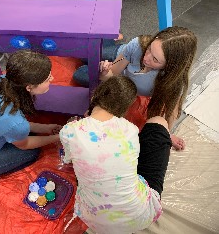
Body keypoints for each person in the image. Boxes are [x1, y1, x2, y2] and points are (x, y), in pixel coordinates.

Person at [60, 76, 172, 234]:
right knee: (159, 121)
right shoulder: (131, 129)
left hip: (93, 218)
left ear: (95, 95)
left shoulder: (69, 131)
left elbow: (69, 159)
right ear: (125, 108)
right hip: (139, 216)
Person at [73, 26, 197, 150]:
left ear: (169, 66)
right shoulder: (137, 45)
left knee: (79, 74)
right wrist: (104, 73)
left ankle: (108, 40)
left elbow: (172, 110)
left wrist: (167, 134)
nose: (146, 58)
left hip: (122, 82)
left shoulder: (173, 82)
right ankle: (110, 37)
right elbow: (113, 74)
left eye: (155, 59)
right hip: (120, 56)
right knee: (82, 53)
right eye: (149, 49)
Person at [0, 50, 61, 181]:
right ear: (29, 87)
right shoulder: (12, 120)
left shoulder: (1, 80)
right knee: (32, 152)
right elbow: (24, 142)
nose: (52, 78)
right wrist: (58, 137)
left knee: (25, 134)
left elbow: (8, 125)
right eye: (47, 78)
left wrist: (46, 128)